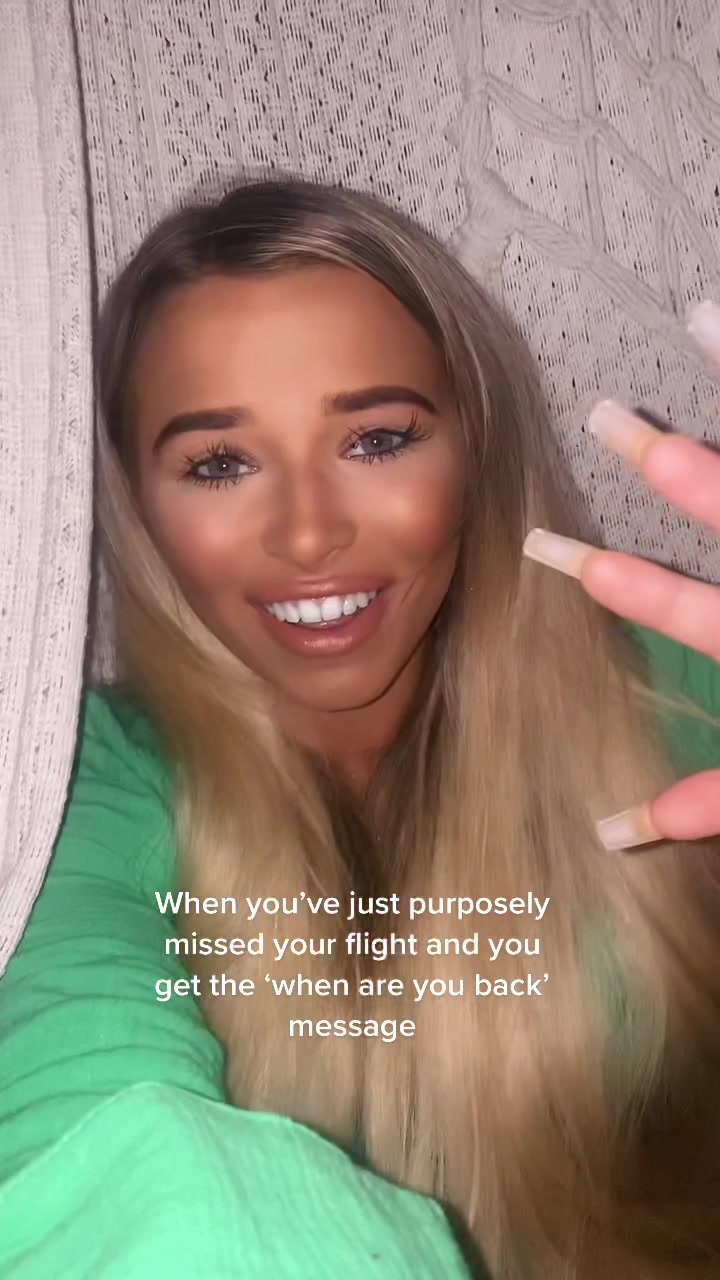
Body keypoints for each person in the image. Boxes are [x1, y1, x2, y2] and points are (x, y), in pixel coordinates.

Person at [1, 178, 719, 1280]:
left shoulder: (675, 694)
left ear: (477, 447)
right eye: (219, 463)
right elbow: (90, 1136)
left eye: (376, 440)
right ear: (136, 501)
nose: (308, 534)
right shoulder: (66, 792)